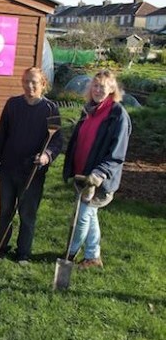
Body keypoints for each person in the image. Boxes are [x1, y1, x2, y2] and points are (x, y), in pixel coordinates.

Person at [0, 67, 63, 265]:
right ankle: (1, 247)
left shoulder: (50, 109)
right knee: (5, 211)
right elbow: (2, 135)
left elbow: (57, 142)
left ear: (43, 85)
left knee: (27, 213)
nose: (29, 86)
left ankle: (23, 253)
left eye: (34, 82)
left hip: (32, 172)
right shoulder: (13, 105)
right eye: (26, 82)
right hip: (8, 169)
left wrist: (46, 156)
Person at [63, 69, 131, 269]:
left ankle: (70, 254)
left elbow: (117, 153)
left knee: (82, 217)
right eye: (95, 85)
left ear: (112, 89)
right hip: (82, 175)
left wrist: (99, 173)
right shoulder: (89, 110)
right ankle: (93, 256)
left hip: (98, 180)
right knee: (90, 215)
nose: (98, 89)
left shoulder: (117, 115)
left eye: (103, 86)